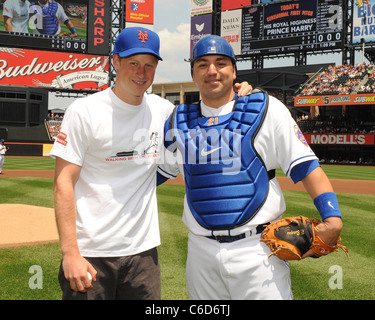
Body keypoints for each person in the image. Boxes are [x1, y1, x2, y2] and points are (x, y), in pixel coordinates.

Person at [50, 27, 252, 300]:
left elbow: (210, 116)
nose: (141, 73)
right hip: (91, 252)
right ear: (116, 62)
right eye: (133, 63)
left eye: (149, 65)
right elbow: (63, 182)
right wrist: (70, 252)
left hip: (143, 254)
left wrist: (241, 93)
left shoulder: (164, 111)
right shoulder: (85, 111)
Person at [158, 35, 344, 300]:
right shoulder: (178, 119)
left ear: (233, 70)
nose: (212, 70)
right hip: (200, 252)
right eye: (203, 64)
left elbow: (306, 167)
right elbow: (154, 174)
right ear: (193, 74)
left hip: (257, 249)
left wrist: (333, 218)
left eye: (221, 63)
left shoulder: (266, 109)